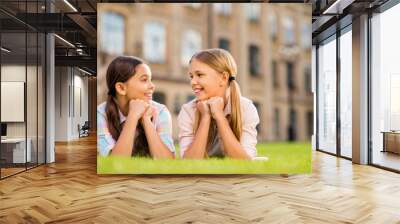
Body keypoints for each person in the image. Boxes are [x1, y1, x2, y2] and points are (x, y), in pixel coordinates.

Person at [178, 48, 260, 160]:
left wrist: (219, 116)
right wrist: (205, 117)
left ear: (223, 78)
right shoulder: (188, 110)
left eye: (200, 75)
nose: (193, 82)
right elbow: (188, 162)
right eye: (191, 76)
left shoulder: (245, 108)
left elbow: (244, 161)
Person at [97, 56, 175, 159]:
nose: (152, 86)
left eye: (150, 79)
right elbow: (116, 162)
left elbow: (167, 163)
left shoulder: (160, 112)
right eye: (144, 80)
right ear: (121, 88)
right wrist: (133, 116)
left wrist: (146, 120)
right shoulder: (101, 114)